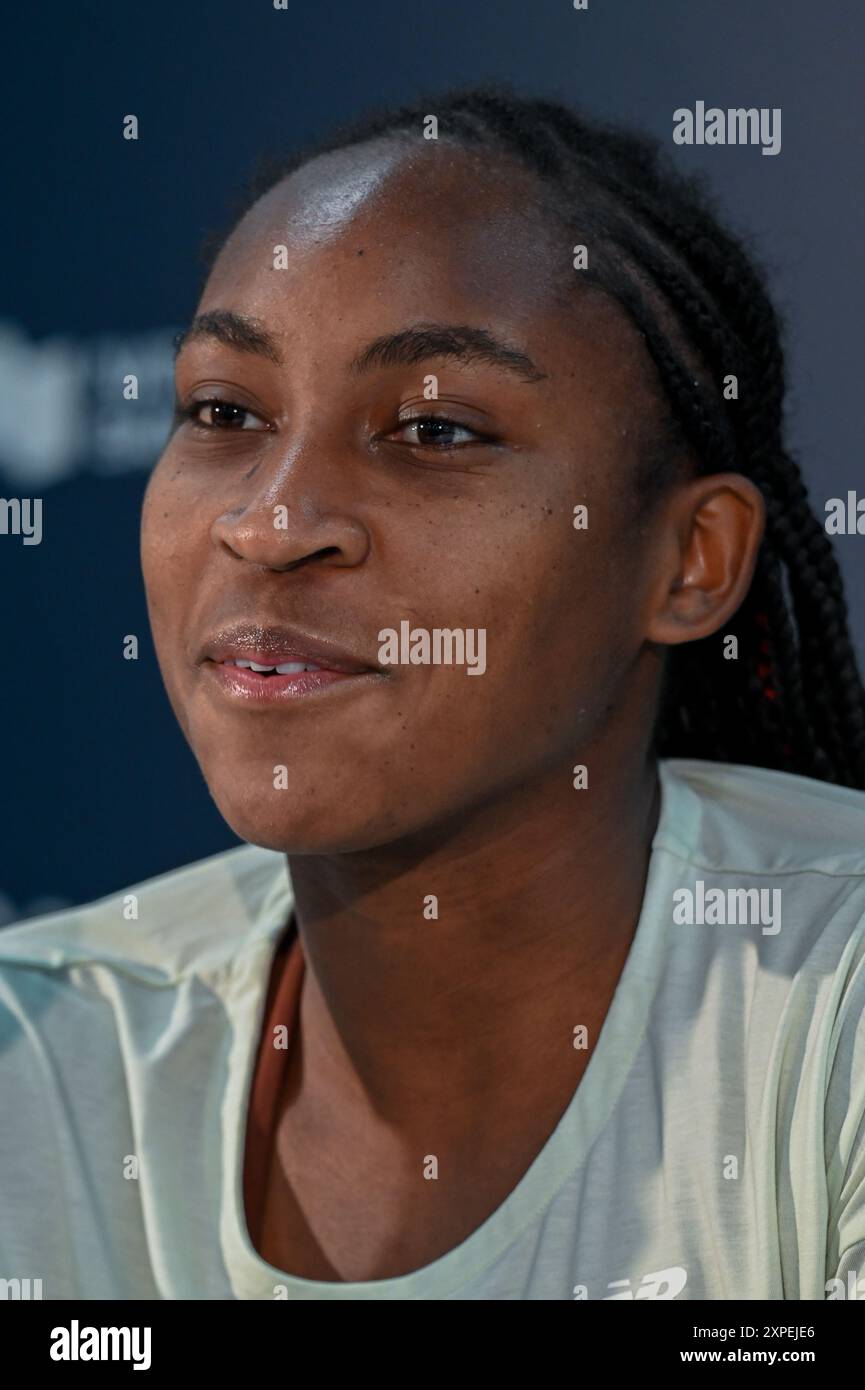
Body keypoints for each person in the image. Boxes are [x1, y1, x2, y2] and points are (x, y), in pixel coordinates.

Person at [2, 83, 865, 1302]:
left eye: (435, 432)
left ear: (689, 563)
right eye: (224, 410)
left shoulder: (834, 1009)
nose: (273, 520)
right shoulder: (33, 1055)